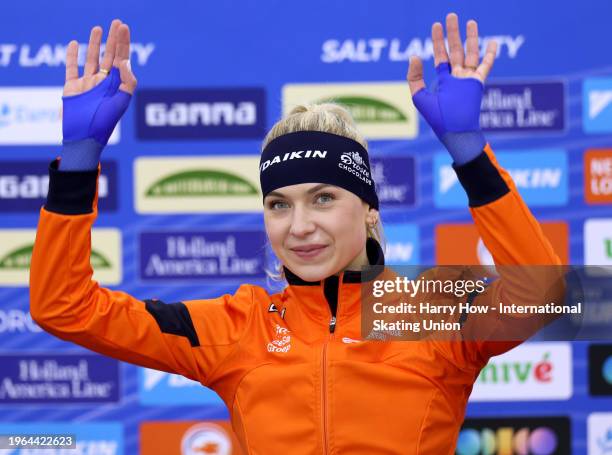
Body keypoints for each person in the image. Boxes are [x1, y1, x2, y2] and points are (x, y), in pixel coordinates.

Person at [30, 14, 561, 454]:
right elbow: (63, 306)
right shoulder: (238, 327)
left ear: (369, 210)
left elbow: (545, 294)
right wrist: (79, 159)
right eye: (279, 205)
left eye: (324, 199)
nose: (300, 226)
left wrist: (469, 150)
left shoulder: (429, 310)